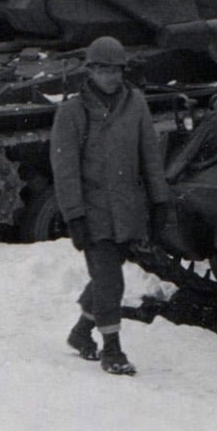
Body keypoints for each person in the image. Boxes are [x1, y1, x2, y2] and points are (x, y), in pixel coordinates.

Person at [50, 35, 173, 376]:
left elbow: (149, 156)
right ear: (90, 71)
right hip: (94, 213)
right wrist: (74, 215)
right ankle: (112, 350)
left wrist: (159, 200)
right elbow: (66, 171)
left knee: (105, 279)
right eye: (104, 70)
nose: (112, 77)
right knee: (110, 281)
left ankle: (79, 333)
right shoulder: (71, 113)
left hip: (127, 211)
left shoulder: (136, 104)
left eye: (117, 70)